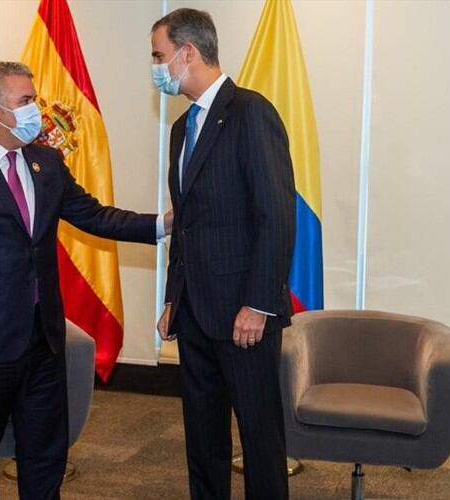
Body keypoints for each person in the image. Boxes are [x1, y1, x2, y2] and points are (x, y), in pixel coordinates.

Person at [0, 61, 170, 500]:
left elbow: (94, 214)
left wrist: (163, 223)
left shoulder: (45, 162)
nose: (37, 110)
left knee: (46, 454)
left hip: (43, 338)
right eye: (27, 101)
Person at [151, 8, 296, 500]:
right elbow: (188, 224)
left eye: (159, 56)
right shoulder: (180, 130)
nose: (156, 67)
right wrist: (173, 298)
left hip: (243, 316)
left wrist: (259, 304)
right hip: (194, 314)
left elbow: (275, 216)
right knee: (203, 440)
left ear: (187, 53)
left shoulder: (251, 112)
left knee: (259, 439)